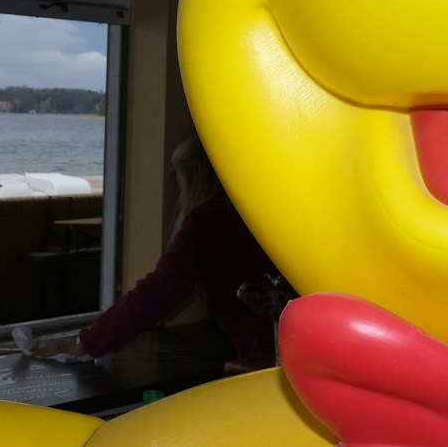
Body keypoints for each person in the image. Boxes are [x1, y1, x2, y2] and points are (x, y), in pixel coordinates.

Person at [30, 137, 281, 369]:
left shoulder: (207, 223)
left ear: (186, 177)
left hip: (269, 354)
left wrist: (86, 341)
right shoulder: (259, 211)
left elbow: (157, 292)